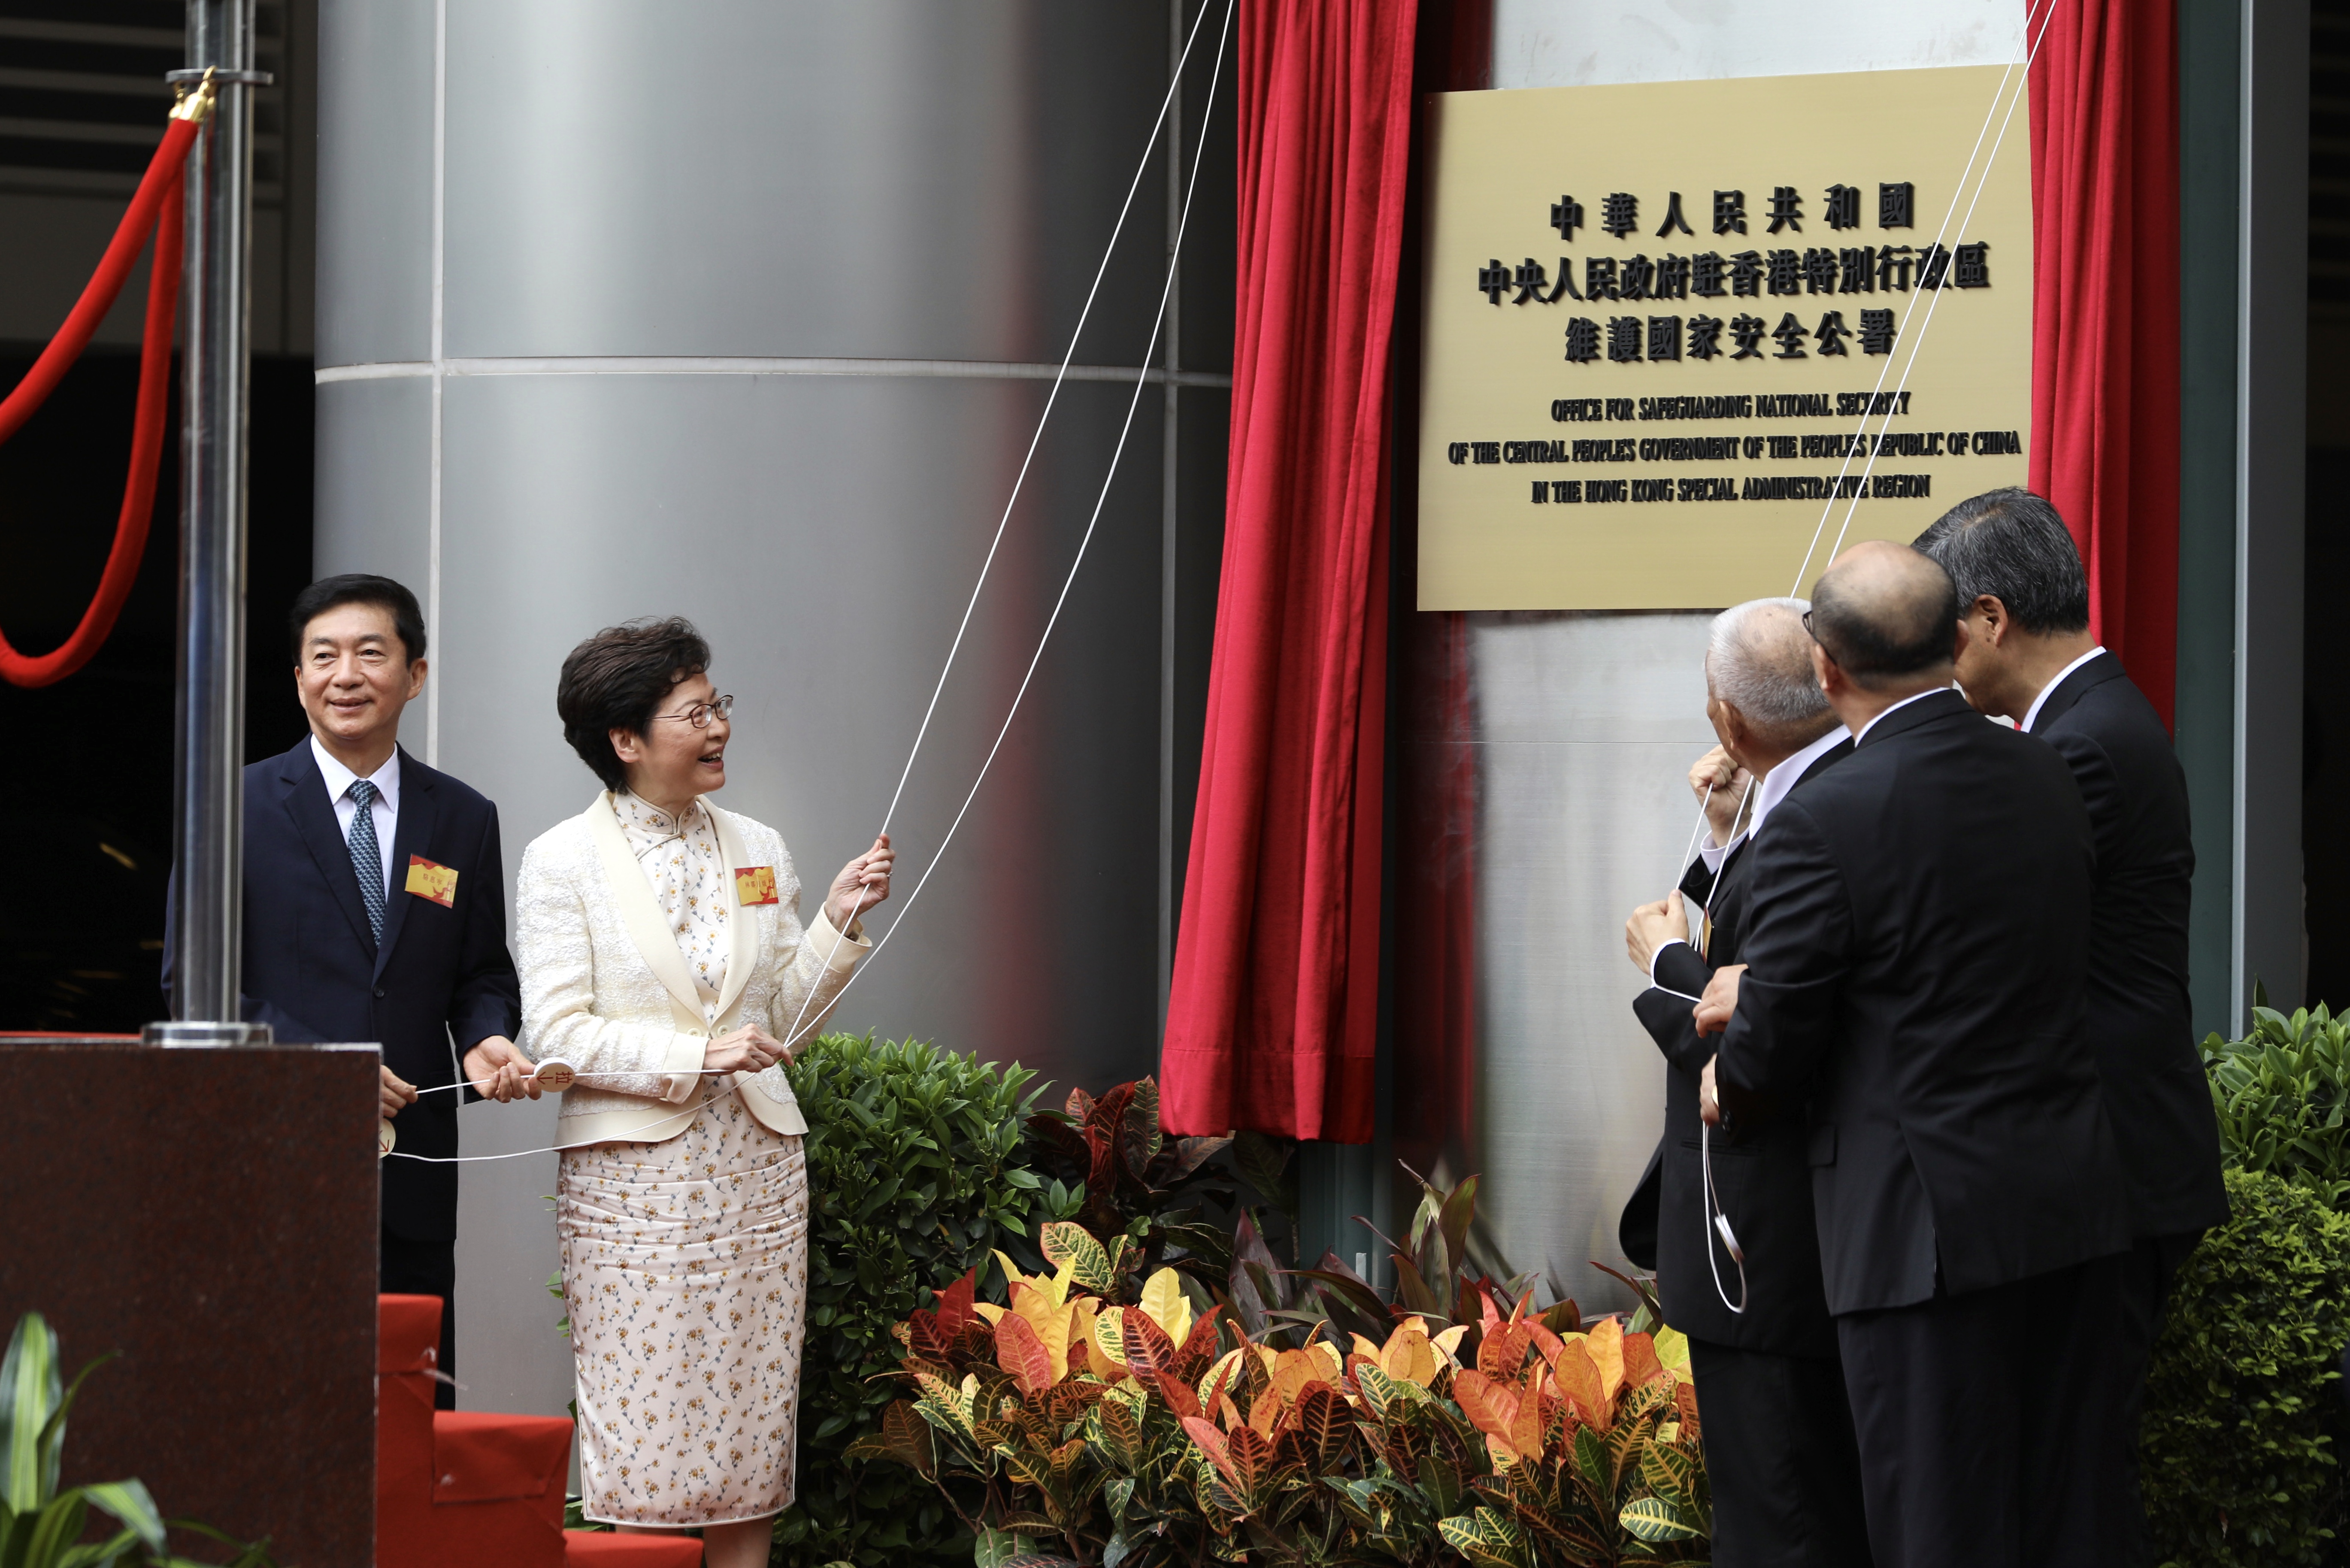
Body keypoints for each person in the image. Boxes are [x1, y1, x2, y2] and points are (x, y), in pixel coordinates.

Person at [1692, 542, 2131, 1568]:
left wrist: (1730, 1081)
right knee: (2069, 1517)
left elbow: (1777, 1040)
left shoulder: (1820, 818)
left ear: (1826, 671)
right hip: (2067, 1202)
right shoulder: (2049, 767)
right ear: (1953, 642)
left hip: (1917, 1237)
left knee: (1937, 1522)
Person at [517, 616, 893, 1568]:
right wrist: (694, 1057)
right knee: (647, 1426)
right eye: (695, 711)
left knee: (748, 1424)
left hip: (757, 1174)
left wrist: (838, 928)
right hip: (634, 1187)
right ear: (626, 740)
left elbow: (782, 1027)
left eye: (717, 704)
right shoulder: (561, 860)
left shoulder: (758, 844)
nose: (719, 725)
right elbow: (554, 1034)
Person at [1914, 488, 2228, 1566]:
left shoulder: (2079, 747)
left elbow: (1976, 939)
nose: (1933, 661)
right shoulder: (2086, 722)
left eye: (1939, 632)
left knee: (2073, 1480)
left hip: (2110, 1165)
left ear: (1990, 617)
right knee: (2066, 1470)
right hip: (2109, 1159)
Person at [169, 573, 533, 1408]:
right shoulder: (236, 803)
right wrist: (320, 1068)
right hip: (275, 1158)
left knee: (408, 1402)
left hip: (411, 1165)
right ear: (297, 679)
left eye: (372, 653)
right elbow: (195, 982)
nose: (346, 674)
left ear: (416, 674)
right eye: (323, 656)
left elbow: (480, 970)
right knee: (276, 1398)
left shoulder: (463, 817)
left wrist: (485, 1037)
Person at [1618, 597, 1868, 1568]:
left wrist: (1662, 964)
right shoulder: (1813, 790)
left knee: (1780, 1512)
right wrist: (1723, 839)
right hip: (1792, 1244)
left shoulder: (1819, 814)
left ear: (1726, 722)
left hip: (1766, 1245)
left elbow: (1761, 1051)